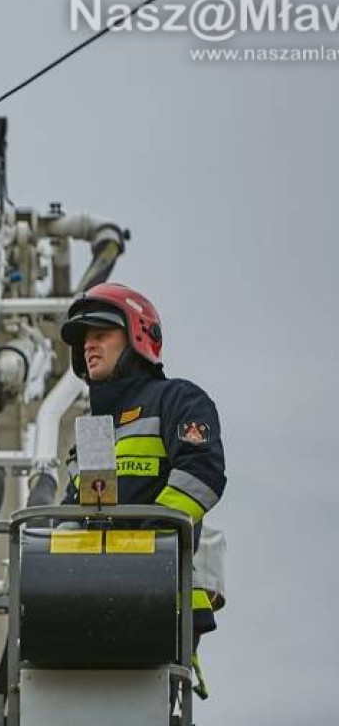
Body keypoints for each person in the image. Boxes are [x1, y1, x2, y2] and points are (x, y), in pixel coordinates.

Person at [59, 281, 226, 697]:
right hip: (88, 606)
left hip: (158, 607)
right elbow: (73, 513)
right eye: (83, 340)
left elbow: (201, 474)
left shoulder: (177, 400)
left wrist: (146, 547)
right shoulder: (94, 430)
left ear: (137, 336)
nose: (88, 347)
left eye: (101, 335)